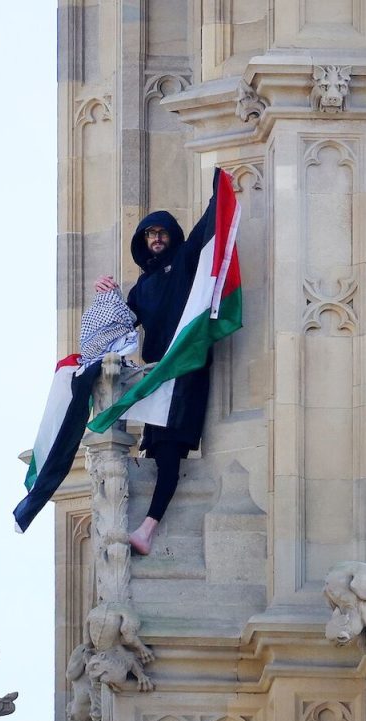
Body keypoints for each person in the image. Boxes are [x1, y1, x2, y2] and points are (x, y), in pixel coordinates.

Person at [94, 210, 213, 555]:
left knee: (170, 449)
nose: (157, 238)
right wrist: (108, 294)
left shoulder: (185, 262)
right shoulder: (142, 286)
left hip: (186, 367)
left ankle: (147, 529)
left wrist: (220, 187)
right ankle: (144, 530)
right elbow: (121, 325)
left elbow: (204, 231)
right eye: (150, 234)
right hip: (158, 373)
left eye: (162, 232)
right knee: (156, 447)